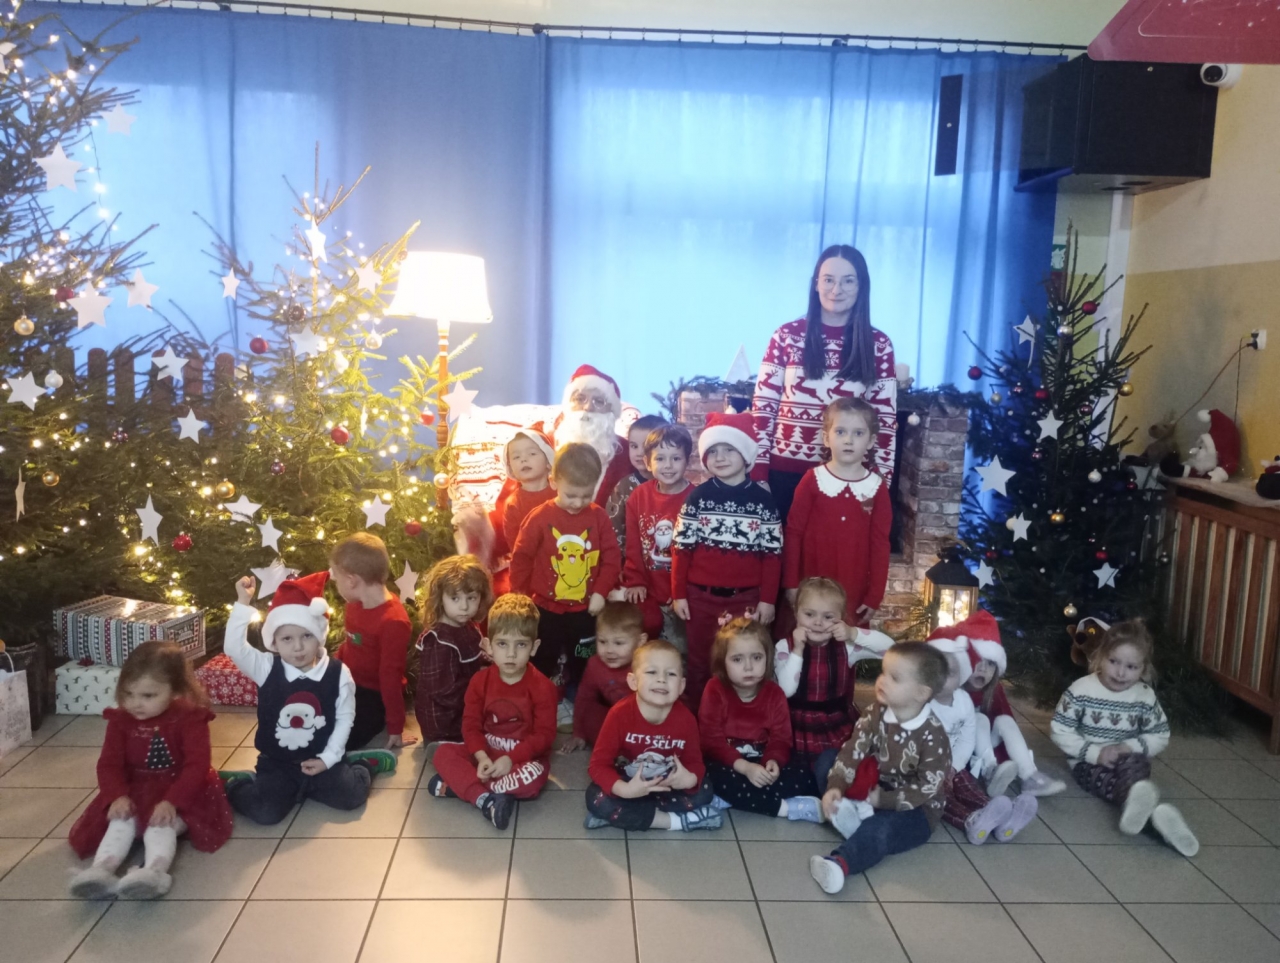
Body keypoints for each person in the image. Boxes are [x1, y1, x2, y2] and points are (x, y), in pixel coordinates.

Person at [218, 574, 397, 825]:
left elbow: (345, 719)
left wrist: (329, 758)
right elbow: (234, 648)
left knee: (351, 797)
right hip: (277, 763)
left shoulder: (338, 673)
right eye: (287, 639)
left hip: (323, 758)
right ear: (274, 642)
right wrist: (242, 603)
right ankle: (237, 784)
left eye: (306, 636)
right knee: (266, 813)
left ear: (319, 636)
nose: (298, 647)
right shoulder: (266, 668)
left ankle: (362, 765)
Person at [68, 642, 233, 900]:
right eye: (129, 693)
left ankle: (154, 873)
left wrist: (172, 801)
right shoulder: (120, 720)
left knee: (161, 826)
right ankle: (101, 870)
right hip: (135, 788)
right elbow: (109, 764)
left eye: (148, 696)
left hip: (183, 791)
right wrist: (116, 796)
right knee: (121, 822)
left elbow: (197, 766)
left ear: (175, 690)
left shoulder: (190, 718)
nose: (136, 703)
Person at [751, 244, 898, 522]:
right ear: (816, 284)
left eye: (848, 281)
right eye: (828, 279)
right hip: (784, 474)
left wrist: (881, 481)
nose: (836, 290)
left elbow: (885, 420)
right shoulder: (786, 336)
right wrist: (758, 472)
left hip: (849, 476)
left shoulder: (878, 344)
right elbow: (763, 409)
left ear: (861, 286)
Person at [809, 642, 950, 894]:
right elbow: (854, 749)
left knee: (882, 828)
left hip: (915, 809)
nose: (882, 681)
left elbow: (926, 787)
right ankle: (850, 814)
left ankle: (840, 864)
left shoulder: (933, 736)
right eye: (883, 672)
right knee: (827, 760)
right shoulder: (875, 711)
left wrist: (883, 800)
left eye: (894, 678)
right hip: (873, 784)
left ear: (921, 693)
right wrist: (836, 786)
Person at [1050, 620, 1198, 856]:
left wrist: (1130, 747)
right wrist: (1095, 753)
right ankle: (1156, 822)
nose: (1120, 673)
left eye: (1131, 667)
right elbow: (1060, 729)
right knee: (1108, 782)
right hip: (1087, 762)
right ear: (1100, 656)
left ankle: (1142, 808)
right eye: (1113, 662)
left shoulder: (1144, 696)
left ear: (1144, 668)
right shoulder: (1081, 690)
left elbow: (1159, 734)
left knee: (1135, 773)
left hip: (1129, 759)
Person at [671, 411, 783, 713]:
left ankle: (737, 718)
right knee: (700, 661)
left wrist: (767, 600)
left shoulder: (763, 501)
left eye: (729, 449)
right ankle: (697, 720)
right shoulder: (697, 498)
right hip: (700, 597)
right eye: (713, 451)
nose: (720, 457)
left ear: (745, 454)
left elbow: (772, 555)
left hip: (745, 599)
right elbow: (681, 548)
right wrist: (679, 593)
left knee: (739, 661)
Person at [426, 594, 558, 830]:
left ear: (534, 647)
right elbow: (470, 725)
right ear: (488, 646)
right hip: (486, 753)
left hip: (522, 760)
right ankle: (487, 798)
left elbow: (544, 736)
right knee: (442, 753)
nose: (511, 654)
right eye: (502, 644)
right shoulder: (479, 682)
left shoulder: (543, 687)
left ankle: (464, 786)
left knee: (533, 781)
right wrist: (481, 757)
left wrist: (511, 759)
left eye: (521, 645)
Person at [509, 442, 623, 708]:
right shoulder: (540, 517)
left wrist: (600, 592)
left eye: (586, 495)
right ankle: (537, 703)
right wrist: (519, 596)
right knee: (542, 659)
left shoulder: (599, 518)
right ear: (554, 481)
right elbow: (521, 557)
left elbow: (611, 559)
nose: (578, 503)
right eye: (571, 495)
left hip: (585, 610)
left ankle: (582, 707)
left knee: (584, 661)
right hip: (545, 608)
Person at [584, 639, 721, 832]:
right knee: (595, 796)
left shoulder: (687, 719)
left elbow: (695, 763)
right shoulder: (618, 715)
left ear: (681, 685)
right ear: (633, 681)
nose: (661, 679)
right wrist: (625, 790)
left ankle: (622, 816)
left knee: (705, 790)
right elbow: (598, 765)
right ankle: (678, 822)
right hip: (630, 785)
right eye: (651, 672)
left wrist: (688, 779)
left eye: (671, 674)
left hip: (667, 788)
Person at [698, 618, 822, 822]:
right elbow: (711, 742)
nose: (748, 667)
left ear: (767, 657)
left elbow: (781, 739)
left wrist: (771, 763)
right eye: (737, 659)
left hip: (761, 763)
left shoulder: (775, 693)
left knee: (804, 774)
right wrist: (745, 768)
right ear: (722, 662)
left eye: (756, 657)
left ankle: (732, 798)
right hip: (728, 764)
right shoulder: (715, 689)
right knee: (707, 776)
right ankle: (784, 808)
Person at [782, 397, 890, 628]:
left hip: (852, 585)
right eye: (840, 432)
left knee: (845, 640)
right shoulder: (812, 480)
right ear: (826, 438)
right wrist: (791, 583)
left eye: (858, 433)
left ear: (871, 441)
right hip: (811, 582)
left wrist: (875, 595)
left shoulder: (877, 487)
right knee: (807, 638)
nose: (848, 440)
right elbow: (793, 533)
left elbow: (880, 544)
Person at [775, 578, 892, 790]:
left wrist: (854, 633)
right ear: (796, 613)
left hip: (836, 723)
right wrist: (798, 651)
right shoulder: (785, 646)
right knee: (797, 775)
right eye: (809, 614)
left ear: (840, 619)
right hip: (795, 725)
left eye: (828, 617)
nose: (818, 623)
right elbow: (786, 690)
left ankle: (838, 792)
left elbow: (889, 648)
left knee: (841, 766)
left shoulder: (846, 647)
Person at [926, 633, 1037, 845]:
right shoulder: (923, 703)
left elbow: (967, 738)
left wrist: (955, 766)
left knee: (967, 787)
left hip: (954, 763)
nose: (943, 679)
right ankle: (971, 821)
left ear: (961, 675)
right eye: (937, 673)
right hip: (927, 767)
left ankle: (1001, 816)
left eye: (951, 673)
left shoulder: (963, 701)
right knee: (940, 796)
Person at [959, 610, 1066, 796]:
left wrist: (1005, 759)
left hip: (984, 746)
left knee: (1005, 720)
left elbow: (1007, 722)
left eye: (990, 664)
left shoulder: (994, 690)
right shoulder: (954, 688)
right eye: (977, 661)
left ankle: (1029, 775)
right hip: (959, 745)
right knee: (979, 719)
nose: (983, 669)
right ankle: (988, 771)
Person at [330, 533, 415, 750]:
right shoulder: (354, 604)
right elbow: (351, 645)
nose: (334, 582)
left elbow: (390, 678)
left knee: (344, 737)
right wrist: (331, 668)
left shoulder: (393, 622)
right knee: (312, 713)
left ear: (351, 580)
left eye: (336, 578)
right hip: (345, 680)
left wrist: (395, 728)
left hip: (372, 694)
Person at [621, 423, 694, 641]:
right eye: (660, 458)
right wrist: (635, 580)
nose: (668, 465)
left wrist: (682, 591)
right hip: (649, 589)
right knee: (645, 641)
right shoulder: (639, 496)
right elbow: (633, 544)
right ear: (648, 462)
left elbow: (698, 554)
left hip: (683, 594)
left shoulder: (696, 498)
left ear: (688, 461)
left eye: (676, 458)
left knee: (680, 647)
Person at [414, 554, 494, 744]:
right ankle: (440, 748)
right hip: (445, 723)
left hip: (464, 706)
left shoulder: (466, 625)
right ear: (440, 598)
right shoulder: (439, 641)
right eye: (455, 598)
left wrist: (490, 659)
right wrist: (483, 689)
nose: (464, 606)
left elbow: (472, 659)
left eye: (471, 598)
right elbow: (444, 692)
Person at [561, 600, 645, 753]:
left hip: (645, 720)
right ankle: (614, 749)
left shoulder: (647, 663)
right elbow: (584, 698)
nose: (609, 650)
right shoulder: (595, 664)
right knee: (591, 713)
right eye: (602, 641)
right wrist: (579, 733)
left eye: (619, 643)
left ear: (640, 641)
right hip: (615, 717)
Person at [553, 364, 632, 505]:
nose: (588, 407)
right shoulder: (542, 445)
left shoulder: (627, 453)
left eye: (599, 401)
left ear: (611, 410)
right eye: (580, 399)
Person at [605, 413, 669, 548]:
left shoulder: (673, 486)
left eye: (646, 446)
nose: (639, 453)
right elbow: (613, 530)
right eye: (634, 446)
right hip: (632, 557)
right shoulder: (624, 487)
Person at [499, 423, 557, 553]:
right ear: (510, 468)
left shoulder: (561, 493)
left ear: (548, 462)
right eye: (516, 457)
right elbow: (516, 546)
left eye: (532, 453)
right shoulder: (513, 504)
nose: (524, 459)